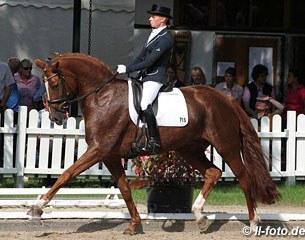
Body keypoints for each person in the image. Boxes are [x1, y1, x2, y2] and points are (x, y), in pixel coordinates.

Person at [116, 4, 173, 153]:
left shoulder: (166, 39)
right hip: (145, 76)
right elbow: (141, 56)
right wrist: (125, 69)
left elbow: (150, 61)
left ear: (163, 19)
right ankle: (137, 137)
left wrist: (128, 69)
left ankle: (154, 140)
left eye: (153, 17)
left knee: (144, 103)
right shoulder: (153, 34)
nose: (150, 19)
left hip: (155, 77)